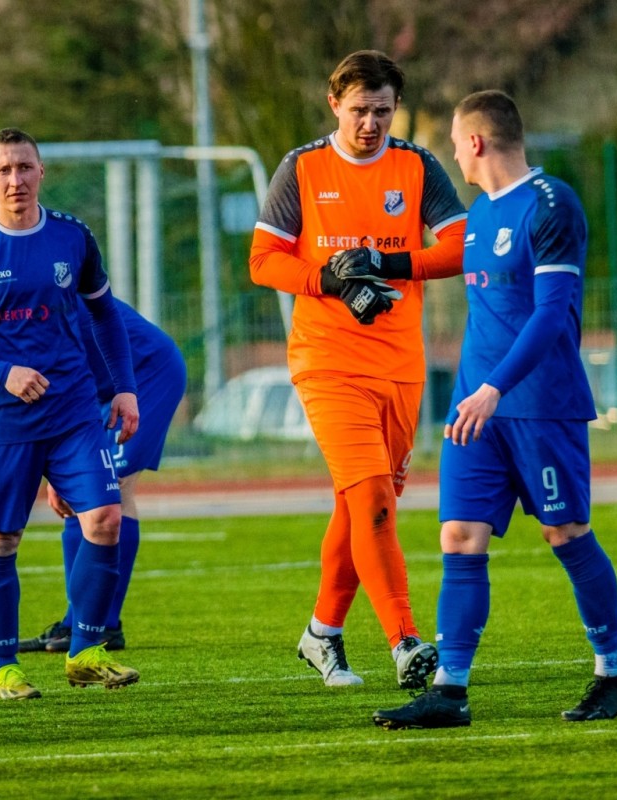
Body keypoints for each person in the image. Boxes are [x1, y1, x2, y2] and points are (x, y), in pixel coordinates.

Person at [373, 90, 617, 729]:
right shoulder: (480, 215)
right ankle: (450, 690)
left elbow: (551, 314)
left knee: (565, 533)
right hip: (476, 408)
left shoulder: (551, 204)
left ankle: (613, 675)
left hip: (540, 405)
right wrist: (380, 266)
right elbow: (446, 271)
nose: (455, 154)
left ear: (476, 142)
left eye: (455, 143)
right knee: (459, 536)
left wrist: (496, 387)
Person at [249, 50, 468, 690]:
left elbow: (461, 246)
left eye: (382, 111)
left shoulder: (417, 166)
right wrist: (330, 279)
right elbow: (263, 260)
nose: (370, 124)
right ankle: (405, 641)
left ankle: (322, 633)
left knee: (360, 507)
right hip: (327, 361)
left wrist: (388, 264)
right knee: (370, 496)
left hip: (400, 365)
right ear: (334, 104)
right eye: (359, 111)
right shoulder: (303, 167)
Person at [0, 127, 141, 700]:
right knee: (1, 539)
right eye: (4, 170)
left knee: (105, 518)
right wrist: (4, 372)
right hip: (5, 421)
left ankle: (86, 653)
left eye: (24, 167)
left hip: (73, 410)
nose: (15, 179)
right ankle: (5, 669)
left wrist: (124, 388)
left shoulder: (73, 236)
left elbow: (105, 315)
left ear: (42, 172)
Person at [0, 280, 187, 655]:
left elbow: (59, 370)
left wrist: (61, 462)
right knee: (89, 499)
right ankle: (83, 623)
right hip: (94, 390)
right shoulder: (0, 305)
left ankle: (97, 625)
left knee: (110, 491)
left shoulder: (15, 303)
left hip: (146, 375)